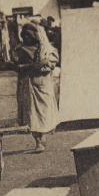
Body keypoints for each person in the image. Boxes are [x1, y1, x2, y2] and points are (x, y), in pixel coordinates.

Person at [14, 22, 60, 153]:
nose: (27, 38)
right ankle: (38, 141)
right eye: (25, 35)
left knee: (43, 113)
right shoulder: (20, 49)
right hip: (27, 86)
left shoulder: (47, 49)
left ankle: (43, 136)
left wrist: (37, 66)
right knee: (31, 114)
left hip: (42, 85)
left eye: (30, 35)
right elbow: (16, 65)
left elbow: (48, 65)